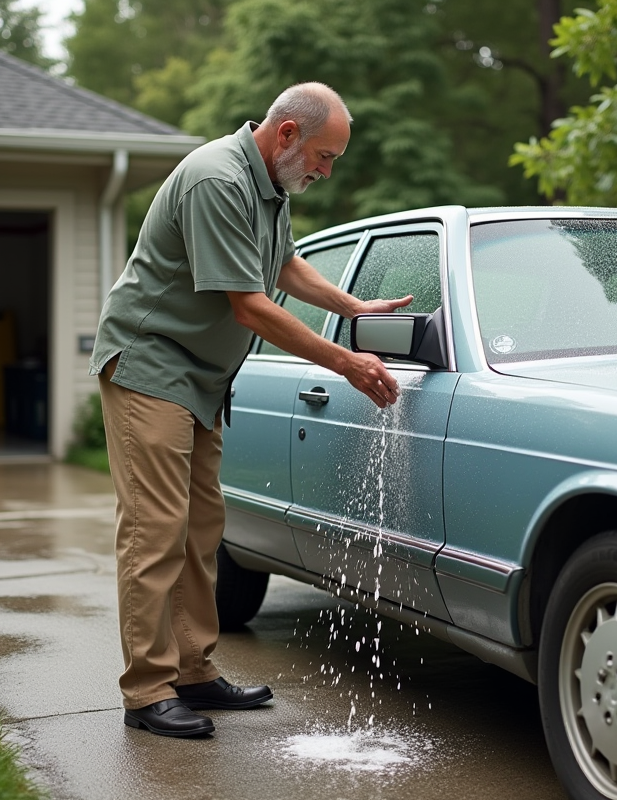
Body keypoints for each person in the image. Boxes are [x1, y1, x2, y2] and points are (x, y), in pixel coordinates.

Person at [88, 82, 411, 738]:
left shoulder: (270, 188)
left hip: (201, 379)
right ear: (287, 133)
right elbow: (250, 305)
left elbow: (282, 264)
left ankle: (193, 670)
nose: (327, 170)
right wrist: (346, 362)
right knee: (156, 531)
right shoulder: (217, 179)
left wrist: (351, 307)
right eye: (325, 155)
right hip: (152, 365)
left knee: (202, 527)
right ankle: (147, 691)